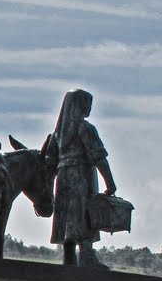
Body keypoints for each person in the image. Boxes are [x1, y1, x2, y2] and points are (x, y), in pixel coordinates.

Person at [48, 89, 117, 268]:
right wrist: (110, 184)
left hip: (63, 178)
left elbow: (50, 160)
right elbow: (99, 157)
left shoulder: (57, 135)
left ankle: (68, 258)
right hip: (82, 176)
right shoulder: (85, 128)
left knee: (67, 218)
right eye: (88, 104)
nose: (90, 108)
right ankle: (86, 256)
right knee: (83, 214)